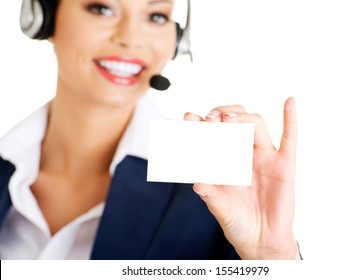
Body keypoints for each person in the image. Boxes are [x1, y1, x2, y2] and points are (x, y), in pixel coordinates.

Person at [0, 0, 301, 260]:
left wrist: (273, 258)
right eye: (102, 8)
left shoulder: (214, 196)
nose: (131, 38)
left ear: (178, 39)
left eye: (156, 16)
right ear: (43, 17)